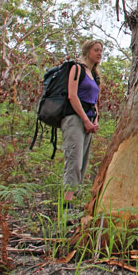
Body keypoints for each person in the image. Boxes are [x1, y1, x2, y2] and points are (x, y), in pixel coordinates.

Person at [61, 39, 103, 205]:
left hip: (89, 121)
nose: (99, 53)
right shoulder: (76, 69)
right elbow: (72, 95)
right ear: (87, 52)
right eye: (96, 50)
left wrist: (95, 119)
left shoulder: (95, 76)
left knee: (83, 163)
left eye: (101, 51)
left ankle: (72, 198)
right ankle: (66, 203)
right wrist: (85, 120)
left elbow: (94, 101)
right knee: (74, 160)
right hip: (74, 119)